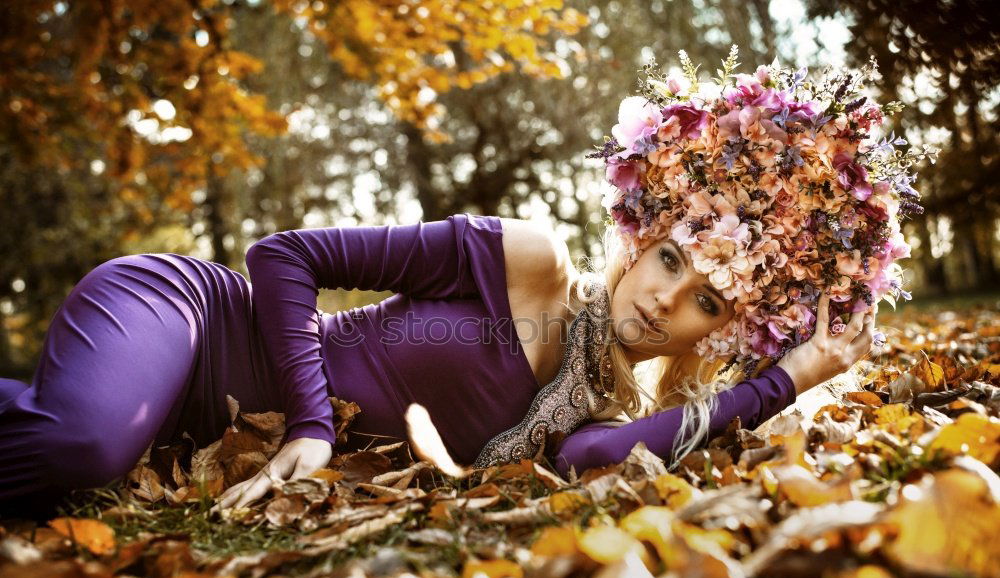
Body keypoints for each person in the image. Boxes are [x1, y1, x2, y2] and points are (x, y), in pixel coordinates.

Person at [0, 54, 916, 518]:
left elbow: (592, 464)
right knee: (83, 442)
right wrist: (317, 429)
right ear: (639, 243)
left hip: (181, 431)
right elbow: (284, 256)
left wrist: (787, 380)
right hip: (193, 322)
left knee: (76, 440)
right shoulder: (528, 261)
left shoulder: (600, 410)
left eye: (709, 303)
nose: (666, 300)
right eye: (672, 259)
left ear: (721, 334)